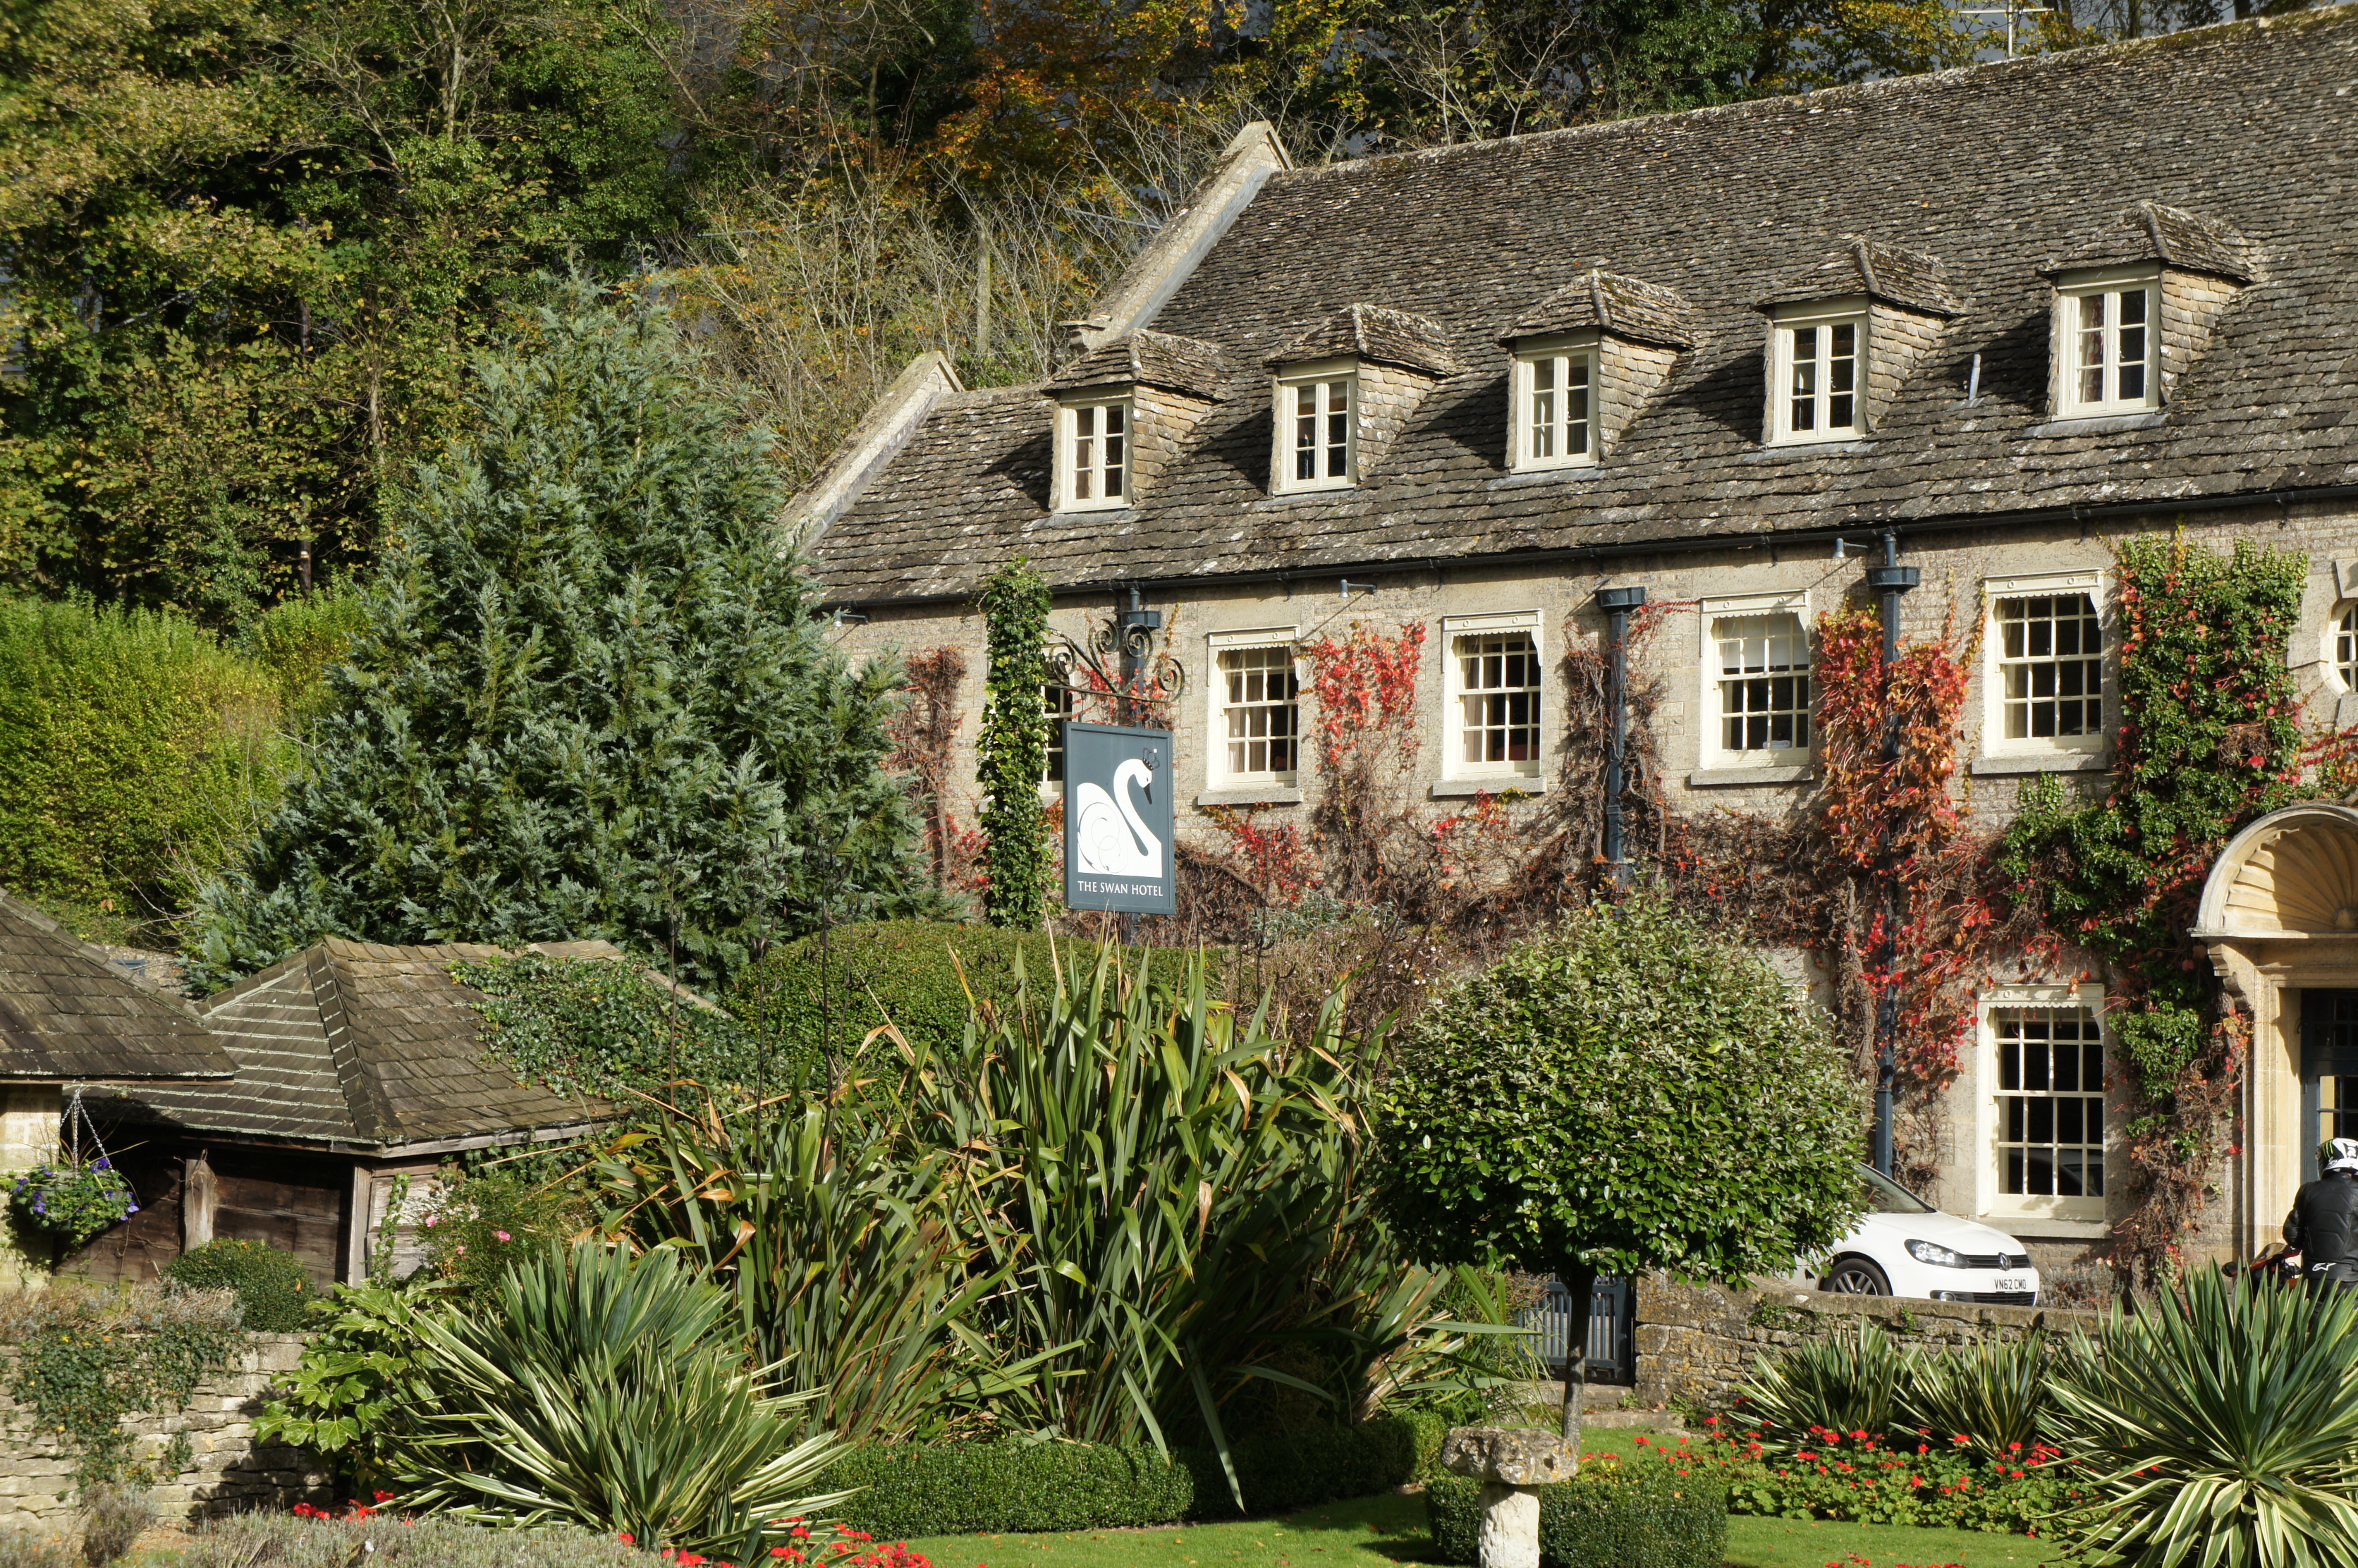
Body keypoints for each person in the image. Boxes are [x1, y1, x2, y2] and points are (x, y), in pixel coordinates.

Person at [2285, 1137, 2358, 1292]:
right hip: (2351, 1277)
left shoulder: (2309, 1190)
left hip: (2314, 1276)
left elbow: (2291, 1233)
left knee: (2315, 1316)